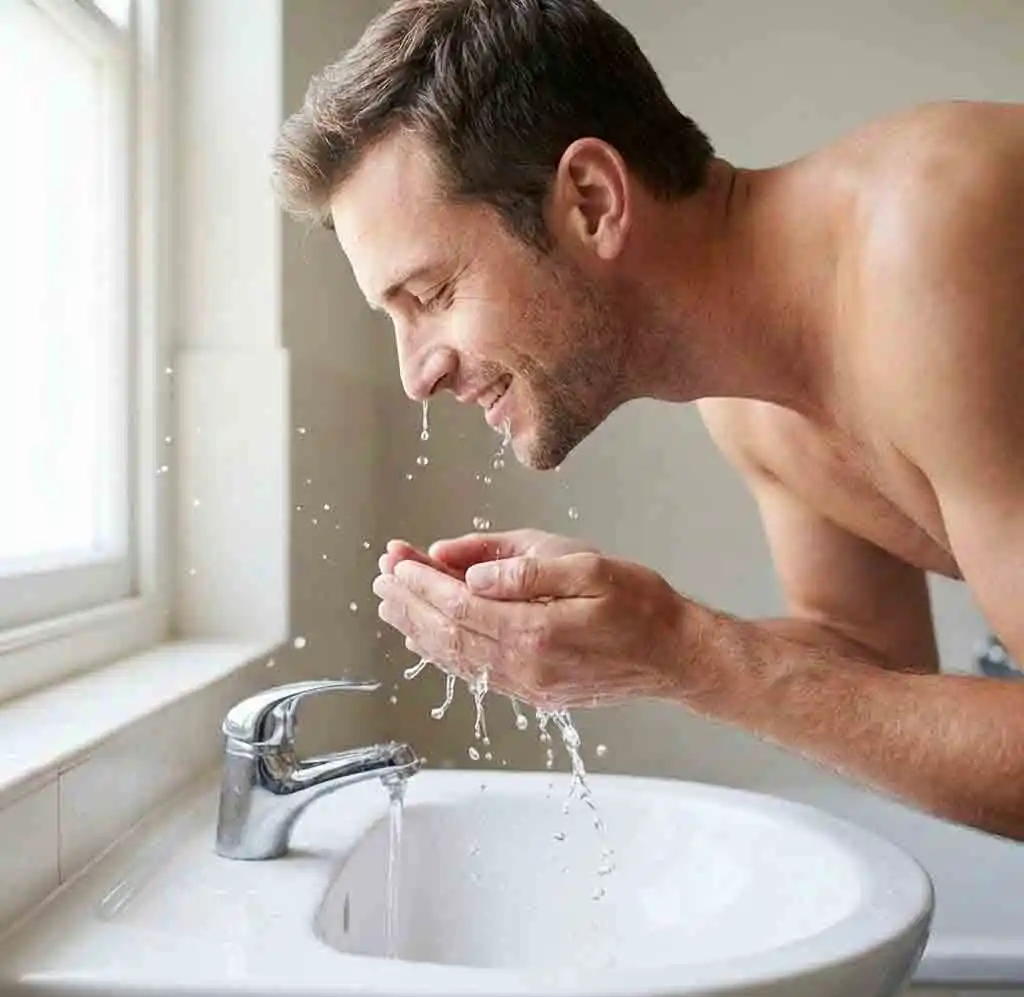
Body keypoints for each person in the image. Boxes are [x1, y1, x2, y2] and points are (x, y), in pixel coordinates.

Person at [271, 0, 1024, 839]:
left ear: (591, 200)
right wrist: (626, 634)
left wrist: (687, 650)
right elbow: (876, 668)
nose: (419, 374)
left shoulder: (935, 243)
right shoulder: (747, 405)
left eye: (433, 295)